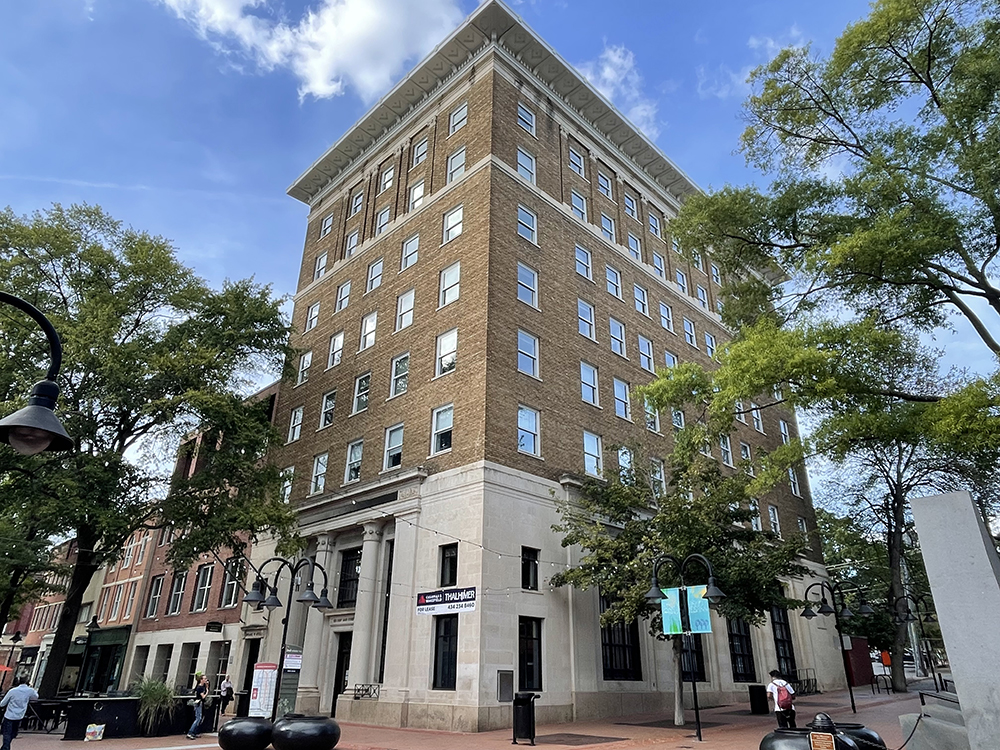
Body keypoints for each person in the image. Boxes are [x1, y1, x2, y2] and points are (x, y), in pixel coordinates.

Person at [0, 677, 39, 750]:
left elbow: (2, 703)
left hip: (9, 715)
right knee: (13, 733)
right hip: (20, 715)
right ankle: (5, 747)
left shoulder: (12, 691)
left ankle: (5, 747)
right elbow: (35, 697)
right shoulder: (30, 691)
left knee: (7, 733)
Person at [187, 675, 209, 739]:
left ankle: (194, 732)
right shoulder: (200, 687)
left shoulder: (201, 686)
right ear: (201, 680)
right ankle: (190, 732)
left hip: (199, 703)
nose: (205, 680)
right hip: (198, 703)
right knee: (198, 718)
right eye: (204, 679)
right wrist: (207, 692)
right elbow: (203, 696)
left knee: (199, 718)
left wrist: (207, 686)